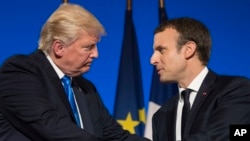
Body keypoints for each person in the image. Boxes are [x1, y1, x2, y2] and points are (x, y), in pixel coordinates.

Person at [0, 3, 150, 141]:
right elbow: (51, 128)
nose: (96, 54)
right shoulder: (20, 72)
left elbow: (116, 136)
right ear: (59, 48)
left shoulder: (86, 89)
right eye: (88, 47)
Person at [150, 17, 250, 141]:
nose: (153, 60)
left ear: (188, 49)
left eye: (161, 50)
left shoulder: (236, 90)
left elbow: (223, 135)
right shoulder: (161, 116)